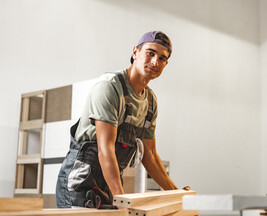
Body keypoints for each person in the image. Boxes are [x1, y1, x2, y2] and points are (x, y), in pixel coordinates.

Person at [56, 31, 189, 208]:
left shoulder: (150, 102)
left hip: (109, 183)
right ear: (135, 52)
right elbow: (105, 149)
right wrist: (122, 201)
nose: (155, 62)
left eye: (162, 58)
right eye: (150, 53)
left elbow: (149, 155)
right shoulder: (109, 87)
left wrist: (176, 194)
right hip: (80, 183)